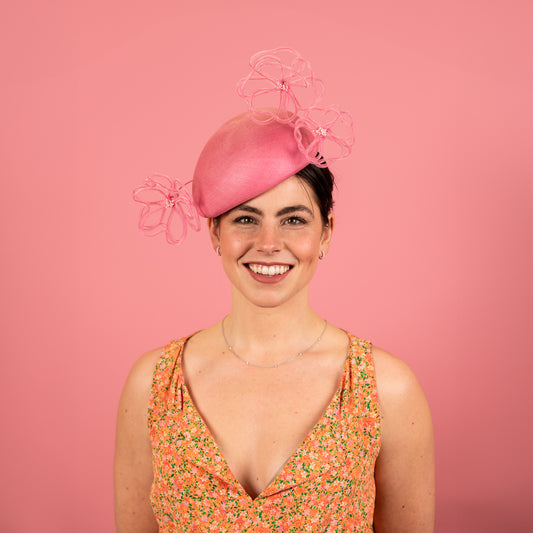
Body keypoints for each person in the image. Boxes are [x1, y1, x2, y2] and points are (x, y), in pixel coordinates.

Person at [114, 48, 435, 532]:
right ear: (215, 233)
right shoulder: (152, 387)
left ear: (325, 233)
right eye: (246, 218)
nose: (269, 244)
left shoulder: (387, 391)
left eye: (293, 219)